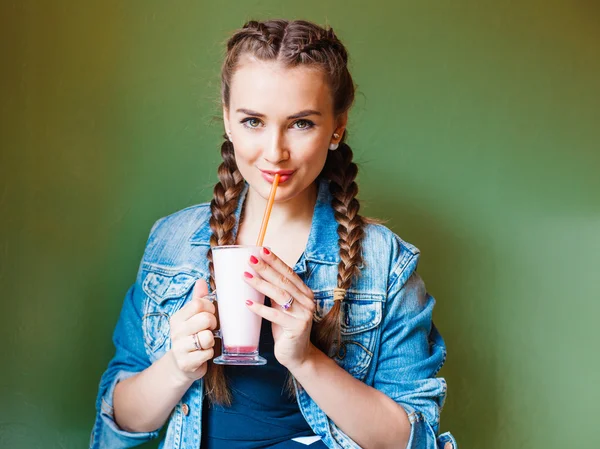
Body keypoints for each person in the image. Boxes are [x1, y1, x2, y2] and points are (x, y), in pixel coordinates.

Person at [90, 19, 458, 449]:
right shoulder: (172, 242)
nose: (274, 151)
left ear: (337, 127)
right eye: (252, 121)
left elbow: (414, 441)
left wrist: (305, 359)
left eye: (301, 123)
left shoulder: (384, 264)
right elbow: (120, 422)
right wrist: (177, 366)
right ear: (227, 119)